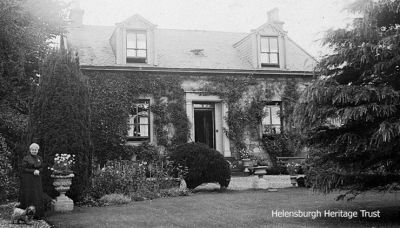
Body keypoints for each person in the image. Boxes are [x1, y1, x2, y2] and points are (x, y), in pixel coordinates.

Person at [19, 143, 44, 219]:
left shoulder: (40, 158)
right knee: (29, 195)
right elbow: (23, 169)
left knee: (37, 195)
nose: (34, 151)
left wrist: (39, 171)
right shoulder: (26, 158)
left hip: (37, 180)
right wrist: (33, 171)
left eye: (36, 149)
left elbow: (42, 167)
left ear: (38, 150)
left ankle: (37, 215)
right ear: (30, 150)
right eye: (33, 149)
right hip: (28, 180)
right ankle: (26, 215)